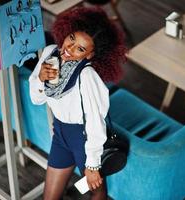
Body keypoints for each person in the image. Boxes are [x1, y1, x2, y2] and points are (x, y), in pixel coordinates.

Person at [29, 7, 127, 200]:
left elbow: (95, 121)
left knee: (97, 192)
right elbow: (37, 99)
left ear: (90, 55)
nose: (70, 48)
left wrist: (92, 165)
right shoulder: (50, 53)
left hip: (83, 139)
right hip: (60, 134)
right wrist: (41, 78)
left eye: (80, 49)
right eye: (72, 38)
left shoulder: (87, 75)